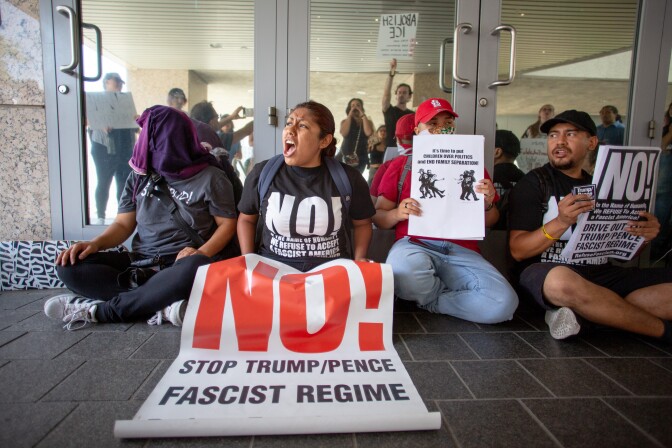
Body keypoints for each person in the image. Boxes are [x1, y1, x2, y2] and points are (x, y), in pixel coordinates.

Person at [44, 106, 238, 329]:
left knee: (197, 266)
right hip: (141, 262)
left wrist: (201, 252)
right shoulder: (139, 175)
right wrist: (93, 244)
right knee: (68, 266)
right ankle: (160, 305)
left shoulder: (211, 176)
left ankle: (103, 311)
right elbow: (123, 224)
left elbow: (227, 225)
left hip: (180, 266)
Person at [508, 109, 672, 343]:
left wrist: (642, 237)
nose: (560, 142)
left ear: (592, 142)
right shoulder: (534, 183)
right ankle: (661, 331)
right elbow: (518, 250)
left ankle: (588, 318)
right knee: (561, 283)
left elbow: (622, 257)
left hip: (600, 274)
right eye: (553, 135)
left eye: (571, 134)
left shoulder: (603, 187)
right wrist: (562, 222)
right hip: (549, 271)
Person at [373, 98, 518, 324]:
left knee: (503, 303)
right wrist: (397, 213)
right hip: (414, 244)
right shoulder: (401, 166)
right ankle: (446, 296)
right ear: (417, 129)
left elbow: (491, 220)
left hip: (462, 250)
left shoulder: (473, 164)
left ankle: (433, 300)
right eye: (432, 123)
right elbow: (379, 218)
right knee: (402, 272)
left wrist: (488, 202)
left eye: (447, 122)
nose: (441, 129)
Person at [237, 100, 375, 272]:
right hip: (271, 273)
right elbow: (246, 219)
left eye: (302, 126)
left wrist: (360, 258)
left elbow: (362, 224)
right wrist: (248, 260)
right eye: (289, 123)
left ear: (324, 141)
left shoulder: (349, 178)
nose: (290, 130)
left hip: (331, 275)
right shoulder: (263, 173)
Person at [89, 72, 136, 225]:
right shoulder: (97, 100)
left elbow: (133, 125)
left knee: (123, 182)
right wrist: (101, 125)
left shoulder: (124, 101)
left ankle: (122, 216)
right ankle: (101, 215)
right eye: (116, 82)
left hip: (125, 147)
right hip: (104, 147)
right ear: (107, 82)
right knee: (104, 180)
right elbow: (89, 120)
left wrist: (136, 122)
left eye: (120, 82)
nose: (119, 85)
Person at [369, 113, 414, 203]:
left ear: (398, 139)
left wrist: (396, 213)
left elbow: (372, 206)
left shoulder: (389, 166)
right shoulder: (447, 164)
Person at [652, 101, 672, 265]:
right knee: (661, 217)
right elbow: (662, 147)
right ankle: (656, 252)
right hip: (662, 187)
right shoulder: (665, 130)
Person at [492, 129, 525, 230]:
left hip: (490, 234)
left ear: (497, 152)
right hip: (517, 233)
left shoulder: (487, 177)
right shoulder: (525, 179)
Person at [382, 58, 414, 148]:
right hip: (392, 147)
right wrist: (391, 74)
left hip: (409, 148)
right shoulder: (389, 110)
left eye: (404, 93)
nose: (401, 95)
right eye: (399, 92)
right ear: (396, 95)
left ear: (409, 96)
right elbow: (386, 94)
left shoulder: (413, 115)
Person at [338, 98, 374, 174]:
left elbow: (368, 132)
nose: (355, 107)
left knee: (355, 179)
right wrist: (350, 115)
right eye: (353, 105)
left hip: (361, 156)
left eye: (358, 105)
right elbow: (344, 133)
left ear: (362, 108)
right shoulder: (345, 121)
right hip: (345, 154)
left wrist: (363, 116)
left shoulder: (367, 121)